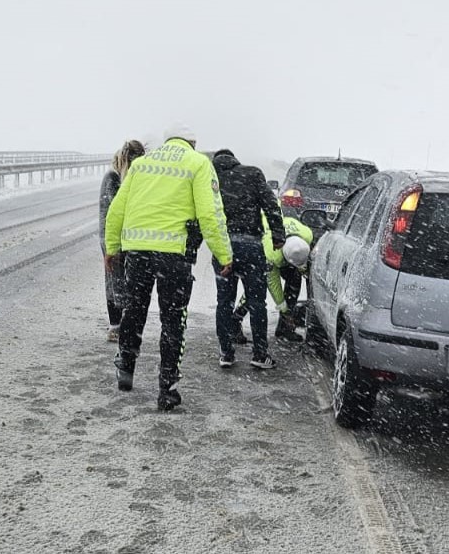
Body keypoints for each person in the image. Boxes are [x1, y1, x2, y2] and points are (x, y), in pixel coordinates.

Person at [104, 123, 233, 411]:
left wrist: (112, 249)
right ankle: (167, 388)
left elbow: (116, 211)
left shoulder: (142, 164)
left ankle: (126, 366)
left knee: (134, 311)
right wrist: (224, 254)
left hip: (137, 254)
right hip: (173, 257)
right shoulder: (198, 164)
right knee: (173, 321)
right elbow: (210, 214)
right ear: (192, 142)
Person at [211, 149, 285, 370]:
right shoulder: (252, 174)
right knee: (256, 302)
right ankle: (260, 354)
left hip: (223, 246)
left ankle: (226, 353)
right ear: (235, 161)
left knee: (224, 302)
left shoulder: (211, 179)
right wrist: (278, 236)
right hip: (251, 245)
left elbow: (200, 213)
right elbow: (270, 204)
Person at [232, 216, 313, 343]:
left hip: (288, 249)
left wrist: (303, 269)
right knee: (257, 287)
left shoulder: (307, 235)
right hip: (258, 250)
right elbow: (273, 285)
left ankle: (284, 328)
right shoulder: (272, 252)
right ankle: (235, 321)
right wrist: (284, 309)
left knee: (295, 280)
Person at [99, 140, 146, 342]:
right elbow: (109, 214)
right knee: (115, 281)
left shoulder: (139, 177)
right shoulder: (113, 178)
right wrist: (112, 246)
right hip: (115, 238)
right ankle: (116, 325)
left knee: (131, 284)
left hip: (134, 238)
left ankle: (127, 326)